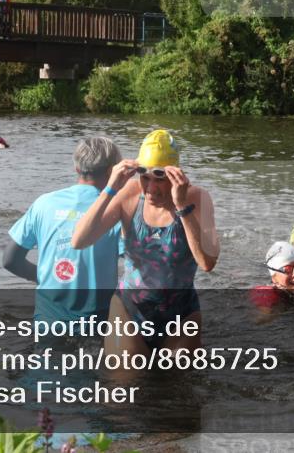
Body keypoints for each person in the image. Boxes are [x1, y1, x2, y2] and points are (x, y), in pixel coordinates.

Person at [72, 129, 219, 355]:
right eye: (144, 176)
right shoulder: (129, 194)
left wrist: (182, 208)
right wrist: (111, 188)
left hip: (181, 314)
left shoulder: (197, 199)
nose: (150, 188)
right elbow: (79, 241)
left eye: (159, 177)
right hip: (130, 310)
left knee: (180, 388)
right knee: (124, 386)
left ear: (174, 174)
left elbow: (207, 263)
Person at [3, 137, 124, 322]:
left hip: (49, 316)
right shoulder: (117, 210)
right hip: (97, 319)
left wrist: (48, 279)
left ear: (77, 169)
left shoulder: (44, 203)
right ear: (112, 171)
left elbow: (10, 260)